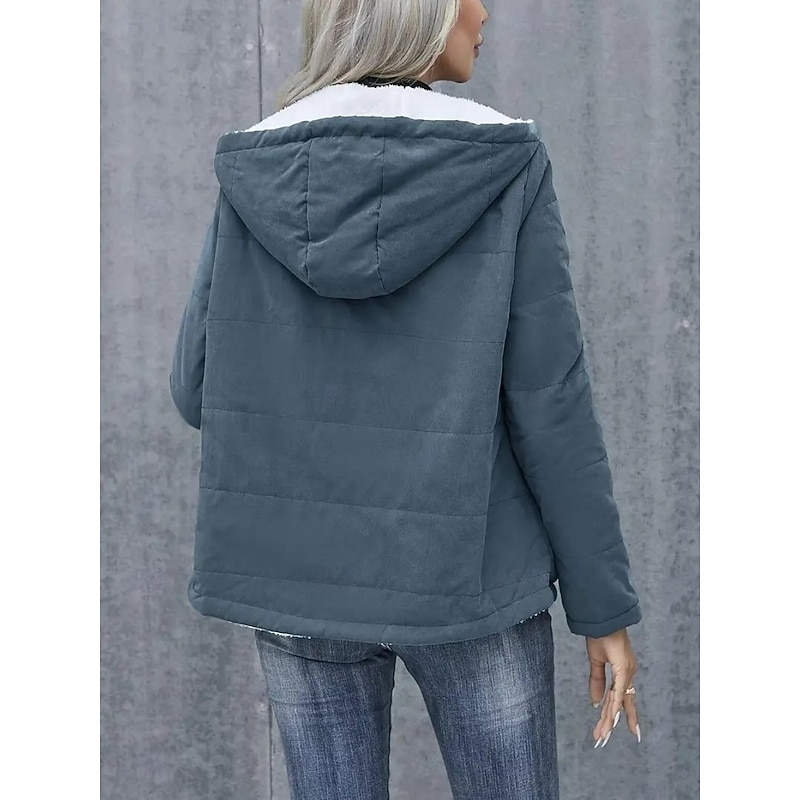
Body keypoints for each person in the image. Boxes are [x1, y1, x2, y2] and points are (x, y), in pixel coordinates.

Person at [168, 1, 644, 797]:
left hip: (297, 578)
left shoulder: (256, 162)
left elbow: (196, 388)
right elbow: (551, 405)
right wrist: (604, 609)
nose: (483, 12)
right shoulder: (505, 160)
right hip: (469, 574)